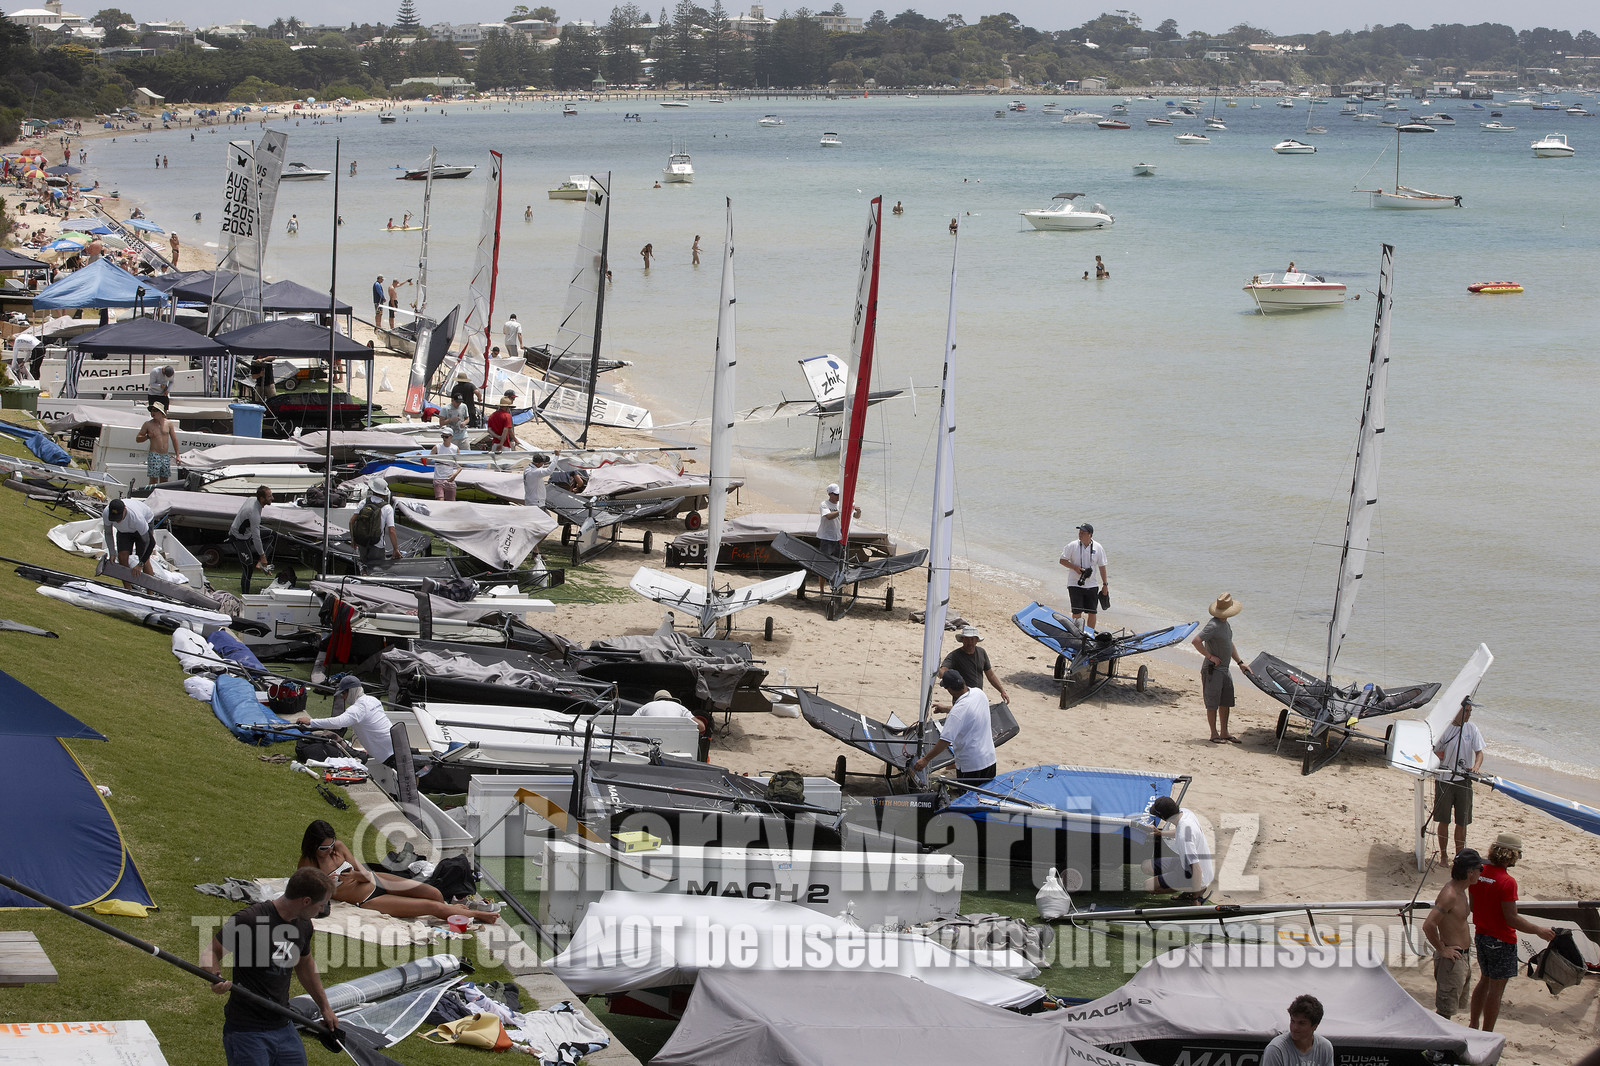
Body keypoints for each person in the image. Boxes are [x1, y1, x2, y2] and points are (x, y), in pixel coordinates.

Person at [200, 867, 338, 1066]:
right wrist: (215, 978)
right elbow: (210, 952)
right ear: (306, 901)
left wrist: (325, 1007)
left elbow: (305, 965)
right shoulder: (249, 920)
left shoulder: (304, 925)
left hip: (283, 1024)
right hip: (247, 1030)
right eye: (321, 905)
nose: (322, 911)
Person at [296, 820, 498, 924]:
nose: (330, 850)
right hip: (367, 899)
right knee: (431, 907)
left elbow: (362, 870)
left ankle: (455, 912)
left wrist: (359, 875)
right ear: (312, 846)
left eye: (331, 844)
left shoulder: (338, 848)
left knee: (435, 894)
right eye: (324, 848)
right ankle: (478, 915)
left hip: (377, 879)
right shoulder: (307, 864)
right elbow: (311, 895)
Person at [1469, 832, 1555, 1032]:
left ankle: (1473, 1024)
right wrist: (1538, 931)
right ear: (1511, 856)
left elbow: (1473, 906)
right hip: (1501, 939)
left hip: (1482, 934)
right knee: (1496, 990)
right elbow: (1512, 918)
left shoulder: (1478, 873)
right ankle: (1487, 1032)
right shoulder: (1507, 881)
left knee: (1484, 980)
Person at [1423, 848, 1483, 1020]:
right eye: (1480, 869)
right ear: (1470, 872)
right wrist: (1442, 949)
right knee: (1444, 1013)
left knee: (1453, 1008)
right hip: (1451, 960)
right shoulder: (1450, 895)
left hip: (1462, 958)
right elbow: (1428, 925)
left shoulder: (1462, 891)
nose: (1481, 873)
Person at [911, 669, 997, 785]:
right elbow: (969, 711)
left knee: (967, 799)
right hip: (990, 760)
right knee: (985, 798)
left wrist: (925, 759)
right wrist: (946, 708)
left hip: (971, 766)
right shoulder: (979, 693)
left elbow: (945, 741)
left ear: (950, 689)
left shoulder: (957, 712)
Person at [293, 676, 396, 766]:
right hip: (397, 744)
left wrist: (310, 722)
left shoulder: (357, 709)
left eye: (343, 693)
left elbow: (337, 723)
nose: (342, 697)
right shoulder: (373, 700)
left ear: (351, 691)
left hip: (387, 755)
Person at [1433, 696, 1485, 865]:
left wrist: (1476, 767)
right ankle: (1443, 855)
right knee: (1444, 820)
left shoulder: (1472, 729)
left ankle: (1459, 857)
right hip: (1445, 779)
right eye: (1466, 712)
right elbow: (1434, 751)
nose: (1468, 715)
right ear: (1457, 711)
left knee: (1462, 821)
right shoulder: (1445, 729)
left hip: (1464, 780)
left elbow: (1479, 752)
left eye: (1470, 712)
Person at [1192, 593, 1250, 743]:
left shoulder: (1225, 624)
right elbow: (1196, 641)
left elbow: (1229, 644)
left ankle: (1225, 732)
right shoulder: (1213, 625)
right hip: (1212, 670)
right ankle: (1214, 734)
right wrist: (1210, 657)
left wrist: (1240, 662)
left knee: (1226, 702)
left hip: (1225, 669)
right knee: (1212, 703)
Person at [1142, 796, 1215, 898]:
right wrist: (1160, 833)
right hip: (1185, 864)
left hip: (1195, 873)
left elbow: (1197, 869)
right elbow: (1178, 831)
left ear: (1163, 817)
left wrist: (1196, 899)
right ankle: (1186, 886)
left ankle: (1195, 890)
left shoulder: (1184, 838)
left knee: (1148, 886)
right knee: (1146, 866)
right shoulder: (1185, 813)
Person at [941, 625, 1011, 704]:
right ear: (962, 640)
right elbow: (943, 671)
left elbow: (990, 675)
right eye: (967, 639)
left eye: (972, 639)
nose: (970, 642)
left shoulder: (982, 652)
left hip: (978, 697)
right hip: (962, 698)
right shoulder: (954, 655)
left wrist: (1002, 691)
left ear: (977, 640)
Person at [1058, 522, 1108, 629]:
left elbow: (1102, 567)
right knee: (1077, 612)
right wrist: (1075, 567)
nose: (1080, 534)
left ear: (1090, 534)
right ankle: (1077, 634)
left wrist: (1105, 585)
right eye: (1079, 532)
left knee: (1092, 612)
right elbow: (1062, 560)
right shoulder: (1072, 545)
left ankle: (1089, 635)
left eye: (1083, 532)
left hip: (1092, 585)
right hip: (1074, 584)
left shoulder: (1098, 547)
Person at [228, 485, 277, 593]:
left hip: (247, 533)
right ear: (262, 498)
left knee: (273, 534)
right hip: (238, 538)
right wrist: (263, 556)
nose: (272, 498)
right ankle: (246, 597)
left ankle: (260, 564)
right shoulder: (254, 513)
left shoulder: (252, 499)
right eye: (269, 496)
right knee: (248, 568)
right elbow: (256, 537)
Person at [1260, 995, 1334, 1066]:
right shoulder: (1276, 1049)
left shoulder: (1325, 1047)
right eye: (1292, 1021)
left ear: (1314, 1026)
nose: (1295, 1027)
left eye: (1301, 1023)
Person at [102, 497, 157, 581]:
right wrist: (112, 553)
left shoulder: (137, 519)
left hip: (143, 525)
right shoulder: (106, 513)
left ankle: (150, 592)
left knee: (144, 558)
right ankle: (128, 589)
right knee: (122, 557)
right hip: (124, 531)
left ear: (124, 510)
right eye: (114, 519)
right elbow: (108, 533)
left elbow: (151, 543)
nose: (118, 521)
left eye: (119, 518)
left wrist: (140, 564)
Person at [136, 399, 180, 487]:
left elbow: (174, 439)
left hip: (165, 455)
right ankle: (151, 495)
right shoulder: (148, 424)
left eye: (155, 410)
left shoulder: (169, 424)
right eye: (151, 410)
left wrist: (177, 455)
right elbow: (138, 439)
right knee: (153, 480)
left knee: (165, 479)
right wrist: (147, 436)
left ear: (161, 412)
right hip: (154, 455)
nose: (153, 412)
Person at [362, 481, 401, 566]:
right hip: (377, 544)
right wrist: (395, 549)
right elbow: (391, 530)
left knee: (363, 566)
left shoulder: (364, 502)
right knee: (377, 569)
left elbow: (352, 521)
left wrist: (354, 541)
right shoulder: (387, 508)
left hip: (362, 542)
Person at [817, 483, 859, 561]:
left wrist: (858, 511)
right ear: (829, 494)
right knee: (824, 559)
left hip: (838, 537)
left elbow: (856, 516)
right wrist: (842, 511)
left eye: (840, 494)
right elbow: (829, 516)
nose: (838, 496)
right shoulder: (824, 504)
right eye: (836, 494)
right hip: (827, 537)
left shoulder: (841, 505)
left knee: (838, 559)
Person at [426, 427, 461, 501]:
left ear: (451, 437)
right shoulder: (437, 447)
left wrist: (454, 475)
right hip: (438, 479)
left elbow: (460, 466)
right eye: (443, 436)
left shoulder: (455, 448)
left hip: (449, 479)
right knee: (440, 500)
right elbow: (427, 462)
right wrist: (421, 457)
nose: (444, 439)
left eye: (446, 437)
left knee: (451, 503)